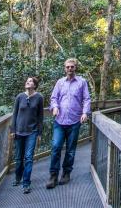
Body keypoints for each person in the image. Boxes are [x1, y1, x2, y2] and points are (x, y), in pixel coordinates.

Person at [46, 58, 91, 189]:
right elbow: (54, 98)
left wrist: (85, 113)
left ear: (75, 67)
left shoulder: (82, 82)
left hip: (74, 121)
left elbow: (87, 99)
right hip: (60, 121)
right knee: (56, 147)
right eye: (67, 67)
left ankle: (66, 173)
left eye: (72, 67)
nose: (69, 69)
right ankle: (53, 175)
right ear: (64, 68)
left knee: (70, 150)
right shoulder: (60, 82)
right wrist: (54, 106)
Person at [11, 76, 44, 194]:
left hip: (32, 132)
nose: (27, 82)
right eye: (27, 81)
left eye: (30, 81)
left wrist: (39, 132)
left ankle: (26, 183)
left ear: (34, 85)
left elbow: (40, 116)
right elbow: (14, 114)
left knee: (29, 158)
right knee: (19, 158)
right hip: (19, 131)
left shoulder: (39, 98)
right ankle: (17, 178)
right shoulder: (20, 97)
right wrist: (12, 130)